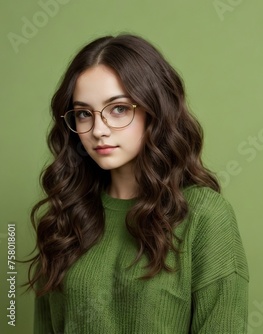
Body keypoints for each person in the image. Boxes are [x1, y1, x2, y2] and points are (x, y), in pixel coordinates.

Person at [26, 34, 249, 333]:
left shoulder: (204, 216)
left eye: (118, 108)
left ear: (153, 111)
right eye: (83, 114)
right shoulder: (63, 219)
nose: (98, 130)